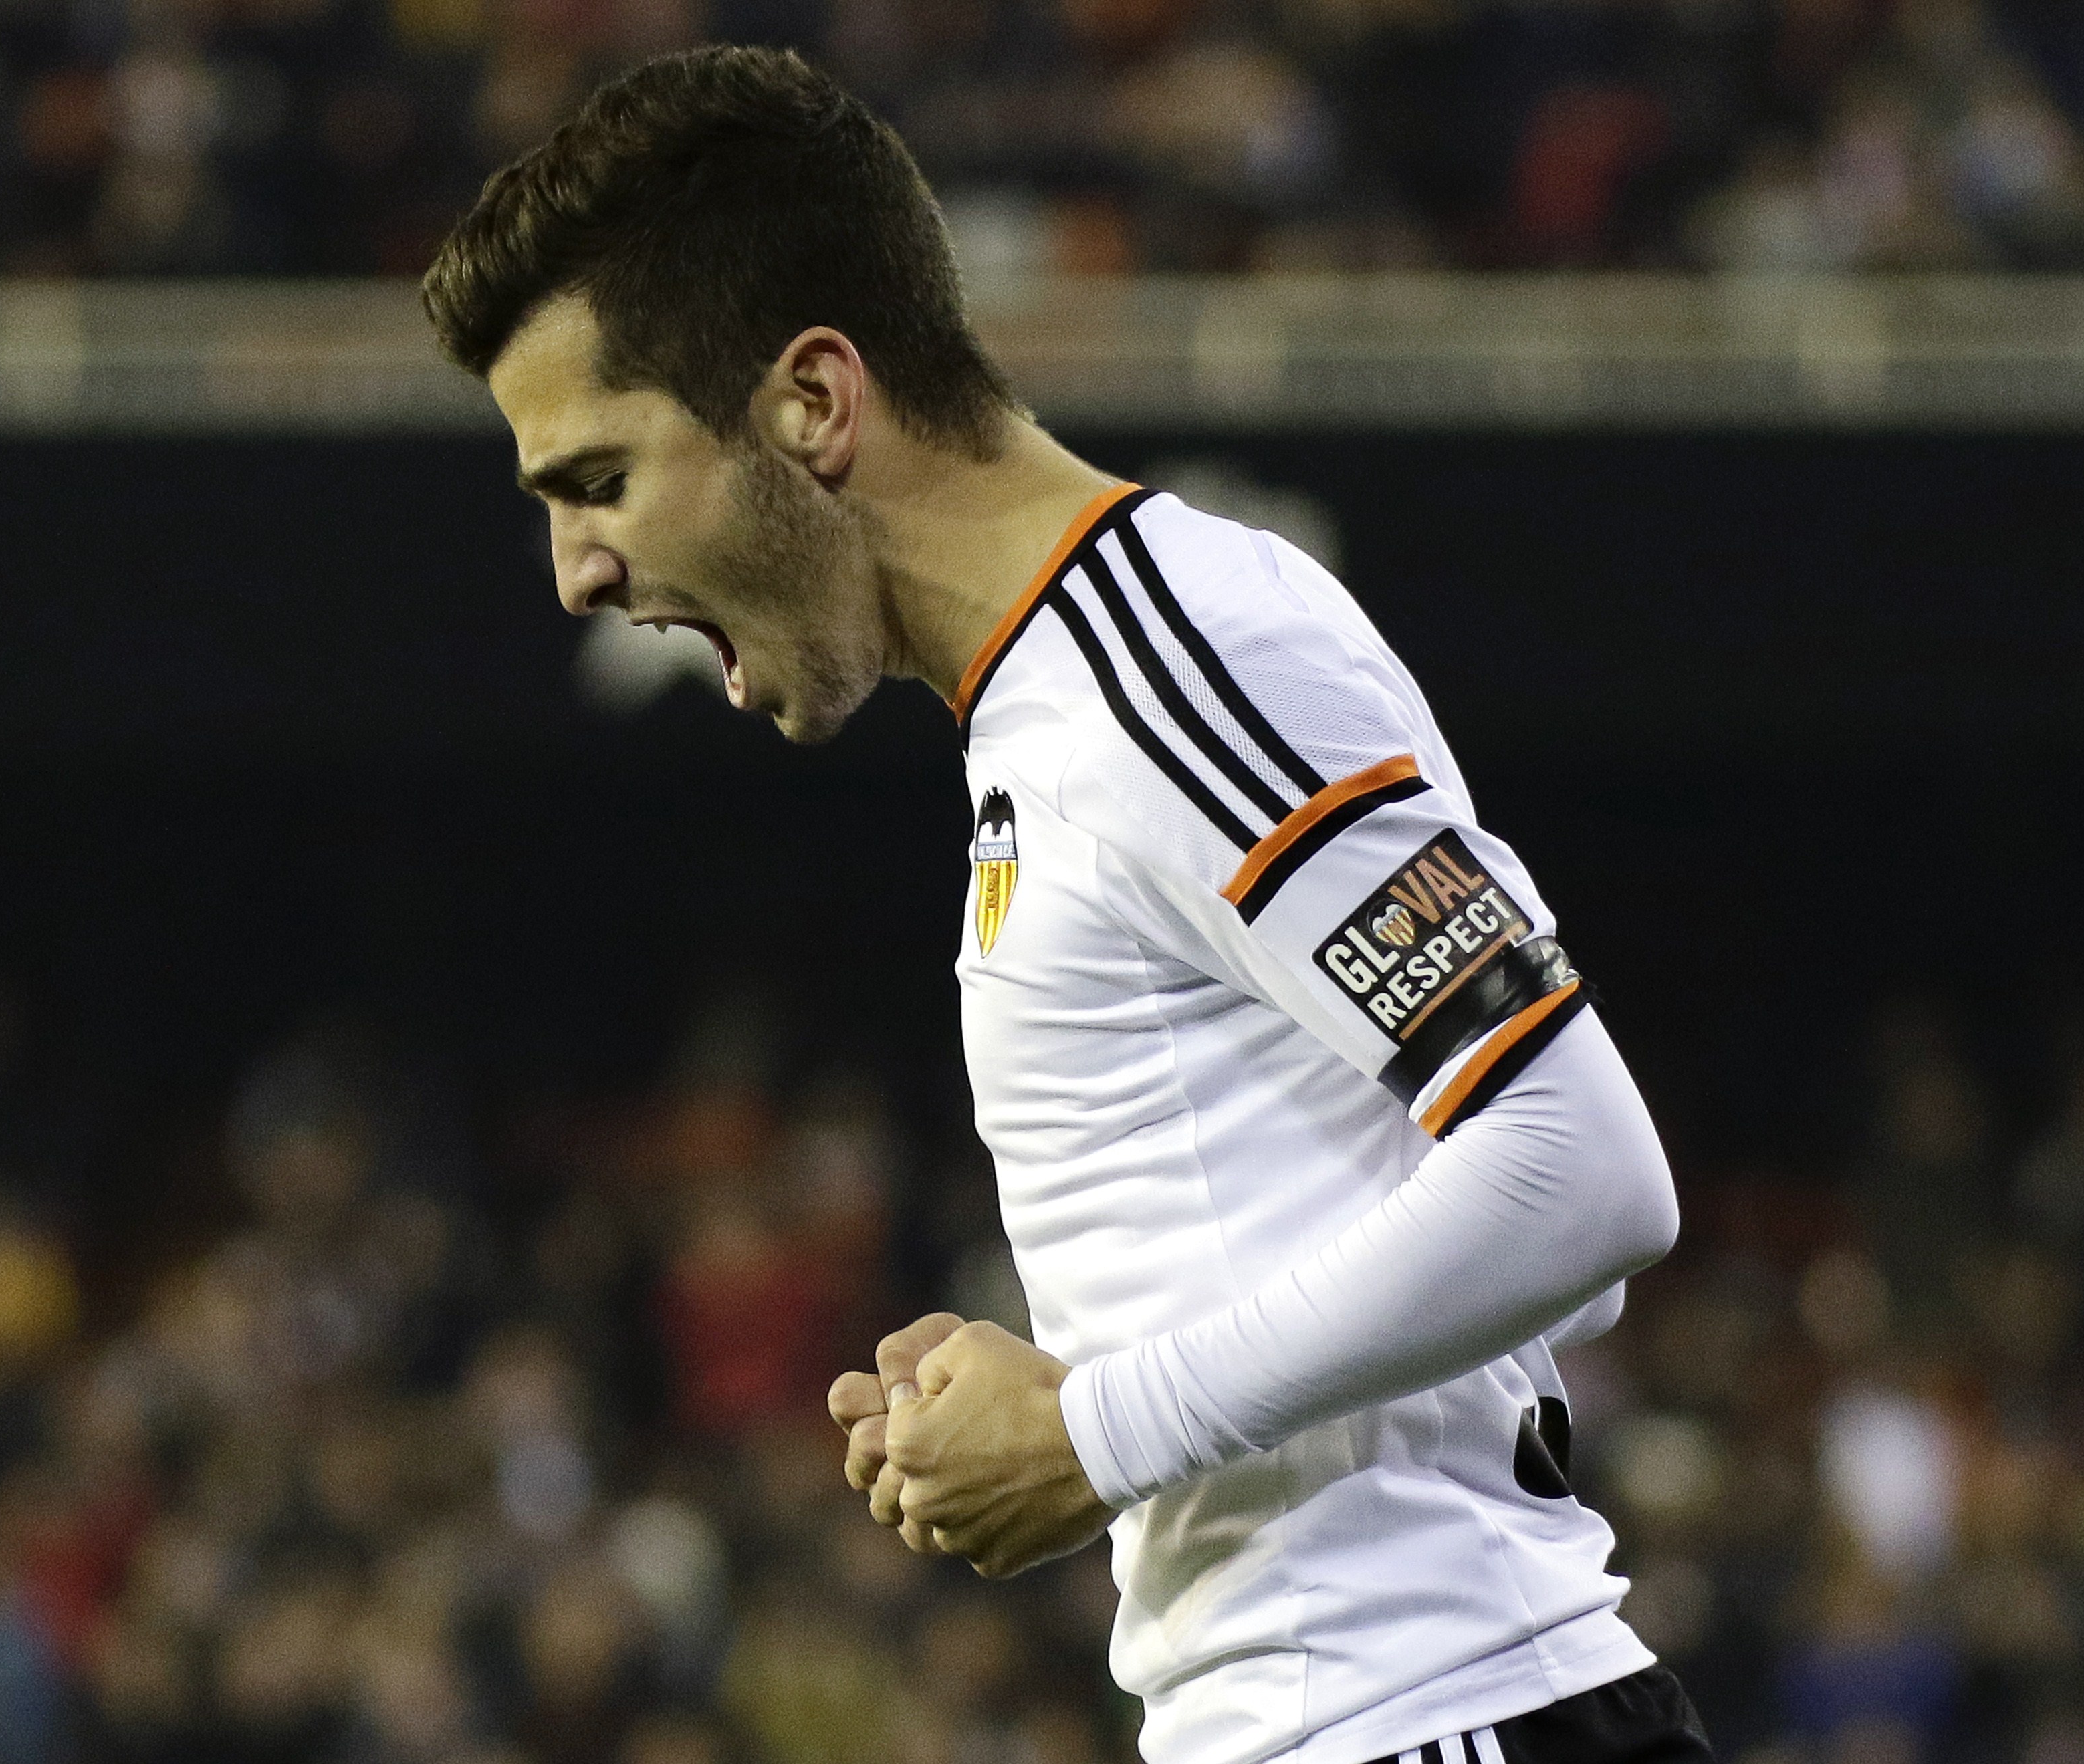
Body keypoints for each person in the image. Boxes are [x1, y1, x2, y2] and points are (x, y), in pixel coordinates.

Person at [420, 44, 1702, 1764]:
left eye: (597, 480)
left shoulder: (1168, 665)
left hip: (1422, 1718)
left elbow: (1581, 1175)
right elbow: (1503, 1240)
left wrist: (1096, 1430)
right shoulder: (1094, 687)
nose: (579, 569)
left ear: (811, 400)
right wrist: (1093, 1367)